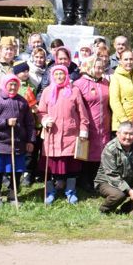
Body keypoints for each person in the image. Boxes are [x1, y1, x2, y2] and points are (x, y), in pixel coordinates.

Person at [38, 64, 90, 204]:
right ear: (52, 76)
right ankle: (50, 191)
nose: (59, 77)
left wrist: (83, 130)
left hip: (70, 136)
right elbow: (41, 111)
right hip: (52, 136)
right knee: (48, 166)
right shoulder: (47, 92)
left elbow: (82, 114)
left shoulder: (74, 91)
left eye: (62, 74)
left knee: (72, 166)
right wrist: (45, 120)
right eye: (56, 74)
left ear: (66, 75)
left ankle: (70, 190)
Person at [0, 75, 35, 207]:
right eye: (10, 84)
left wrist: (30, 140)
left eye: (15, 85)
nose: (13, 87)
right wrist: (5, 122)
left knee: (16, 170)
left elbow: (29, 123)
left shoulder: (22, 102)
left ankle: (13, 193)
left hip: (18, 142)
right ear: (4, 85)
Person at [72, 54, 111, 193]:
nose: (100, 70)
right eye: (97, 67)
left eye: (102, 67)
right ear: (89, 67)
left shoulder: (105, 82)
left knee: (101, 152)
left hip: (104, 123)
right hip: (88, 124)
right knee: (86, 152)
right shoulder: (79, 84)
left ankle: (98, 180)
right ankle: (84, 180)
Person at [94, 122, 133, 216]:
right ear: (118, 133)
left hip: (127, 180)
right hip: (106, 182)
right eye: (125, 133)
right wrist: (129, 190)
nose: (128, 137)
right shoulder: (110, 149)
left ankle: (126, 208)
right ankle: (104, 210)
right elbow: (112, 175)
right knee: (119, 195)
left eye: (131, 134)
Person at [109, 49, 133, 130]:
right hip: (121, 124)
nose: (129, 62)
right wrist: (125, 121)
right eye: (126, 59)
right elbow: (114, 101)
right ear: (120, 61)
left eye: (131, 59)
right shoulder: (116, 77)